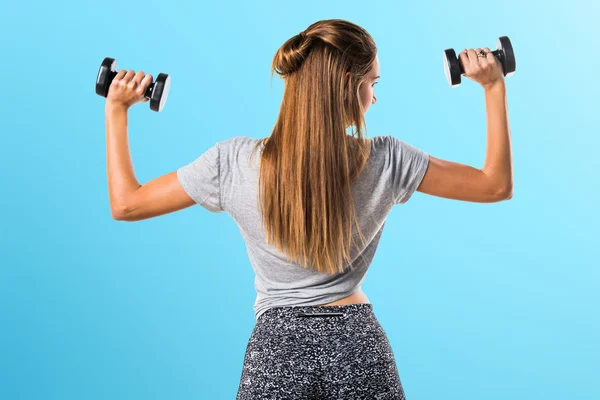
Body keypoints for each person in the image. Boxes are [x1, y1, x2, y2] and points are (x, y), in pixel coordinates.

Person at [104, 18, 512, 400]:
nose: (376, 95)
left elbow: (127, 205)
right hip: (358, 350)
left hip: (276, 354)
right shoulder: (388, 160)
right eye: (373, 83)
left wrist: (117, 109)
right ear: (349, 86)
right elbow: (495, 186)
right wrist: (493, 87)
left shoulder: (231, 163)